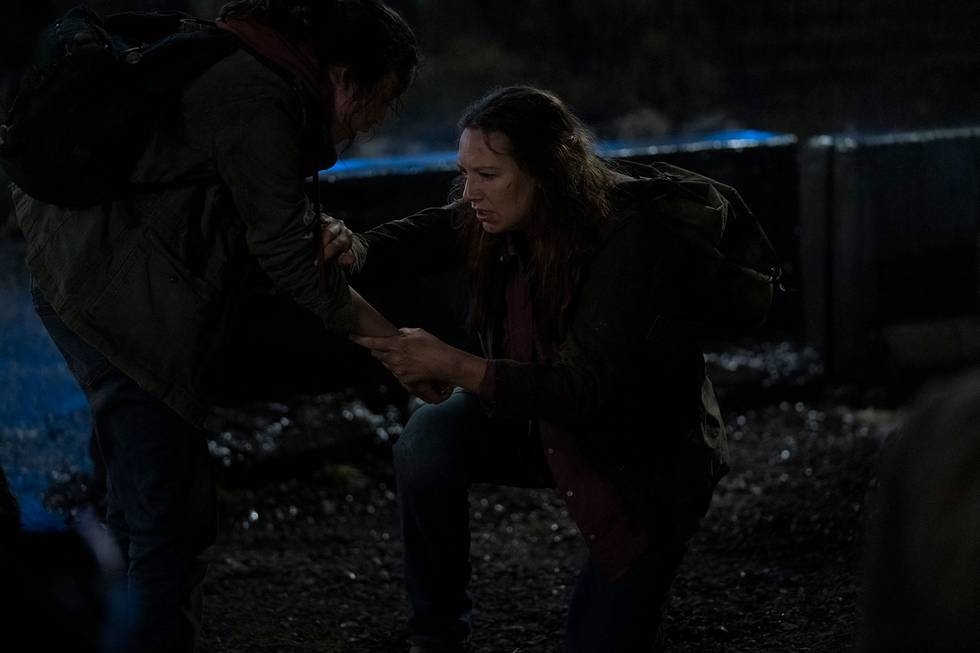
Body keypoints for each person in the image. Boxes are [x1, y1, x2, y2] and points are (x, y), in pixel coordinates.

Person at [11, 1, 420, 651]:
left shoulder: (244, 59)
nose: (379, 120)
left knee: (134, 500)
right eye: (385, 99)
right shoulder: (259, 94)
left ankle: (115, 628)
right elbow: (288, 257)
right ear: (345, 76)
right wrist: (397, 349)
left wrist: (320, 229)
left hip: (79, 275)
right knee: (169, 520)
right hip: (121, 307)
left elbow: (236, 194)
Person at [343, 86, 731, 652]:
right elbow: (416, 239)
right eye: (464, 174)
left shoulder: (627, 236)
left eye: (488, 175)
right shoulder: (493, 216)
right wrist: (348, 247)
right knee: (428, 438)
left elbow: (580, 386)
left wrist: (453, 364)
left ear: (548, 170)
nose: (470, 193)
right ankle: (436, 638)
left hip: (642, 463)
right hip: (545, 425)